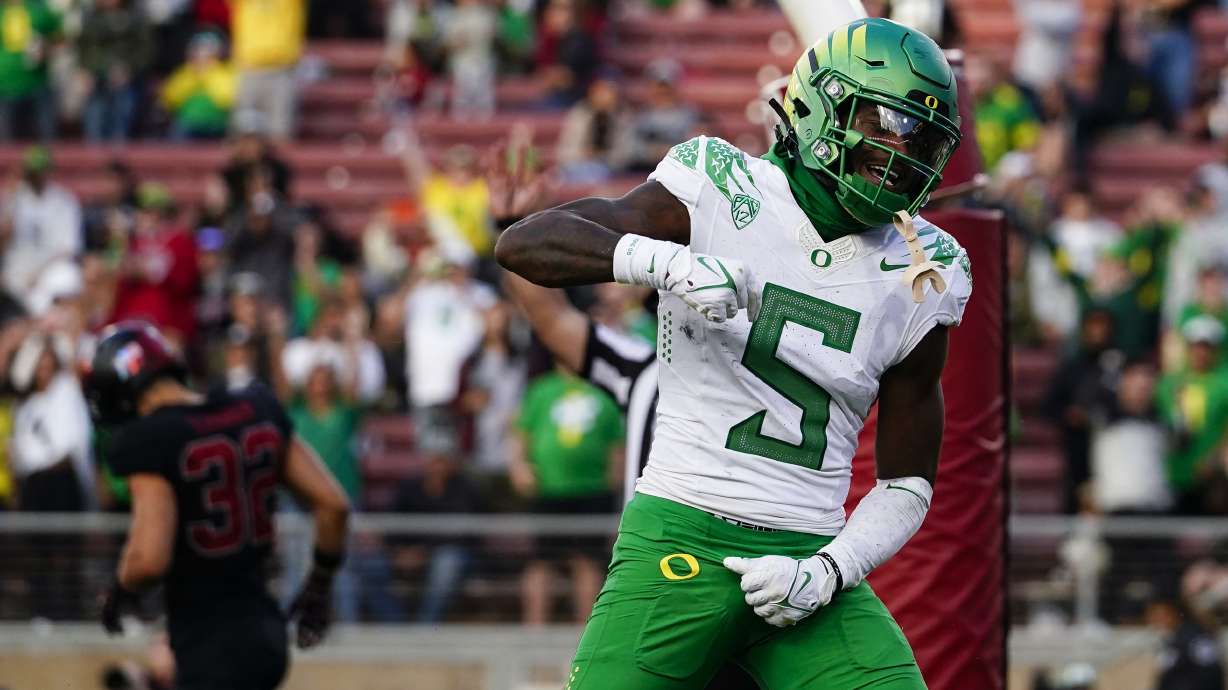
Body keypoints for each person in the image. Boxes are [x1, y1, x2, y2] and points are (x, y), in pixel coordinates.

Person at [497, 17, 970, 689]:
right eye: (883, 120)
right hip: (681, 533)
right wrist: (663, 263)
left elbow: (907, 482)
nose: (901, 148)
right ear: (819, 106)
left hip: (807, 552)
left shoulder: (928, 267)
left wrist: (828, 571)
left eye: (921, 134)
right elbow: (525, 245)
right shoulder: (719, 185)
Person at [87, 322, 350, 690]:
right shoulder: (254, 408)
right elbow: (333, 505)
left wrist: (121, 589)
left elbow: (149, 558)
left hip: (207, 641)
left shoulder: (148, 438)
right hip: (266, 634)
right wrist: (319, 585)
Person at [513, 366, 624, 626]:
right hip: (547, 491)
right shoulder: (541, 390)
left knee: (587, 563)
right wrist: (519, 467)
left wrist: (613, 481)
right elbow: (520, 433)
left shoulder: (604, 392)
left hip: (593, 492)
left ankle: (585, 634)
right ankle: (534, 633)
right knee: (540, 562)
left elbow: (617, 444)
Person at [1156, 316, 1228, 515]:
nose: (1201, 352)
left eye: (1207, 346)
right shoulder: (1167, 384)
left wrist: (1213, 461)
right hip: (1170, 477)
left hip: (1210, 479)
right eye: (1196, 346)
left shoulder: (1224, 384)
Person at [76, 0, 153, 142]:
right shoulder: (91, 16)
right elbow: (82, 47)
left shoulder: (135, 15)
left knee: (124, 111)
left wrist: (129, 69)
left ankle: (120, 152)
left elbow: (145, 50)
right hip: (97, 76)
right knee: (95, 115)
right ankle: (94, 153)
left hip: (126, 78)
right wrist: (85, 71)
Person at [161, 31, 238, 140]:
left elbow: (226, 99)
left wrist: (208, 75)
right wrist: (194, 77)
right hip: (188, 124)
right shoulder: (184, 73)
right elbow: (170, 98)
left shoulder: (224, 73)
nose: (201, 56)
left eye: (207, 52)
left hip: (217, 124)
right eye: (198, 51)